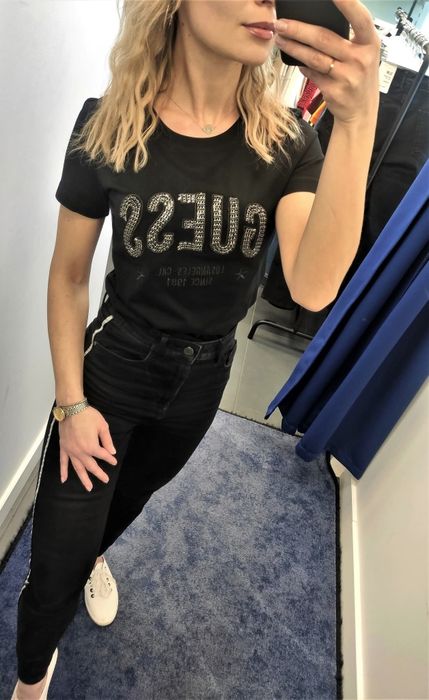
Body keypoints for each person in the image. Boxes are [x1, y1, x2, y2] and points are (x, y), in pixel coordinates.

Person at [12, 0, 381, 697]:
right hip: (113, 371)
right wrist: (71, 404)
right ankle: (31, 681)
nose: (265, 0)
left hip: (202, 384)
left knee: (126, 503)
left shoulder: (286, 143)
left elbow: (312, 286)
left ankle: (96, 555)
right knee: (54, 564)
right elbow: (68, 279)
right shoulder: (107, 126)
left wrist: (357, 123)